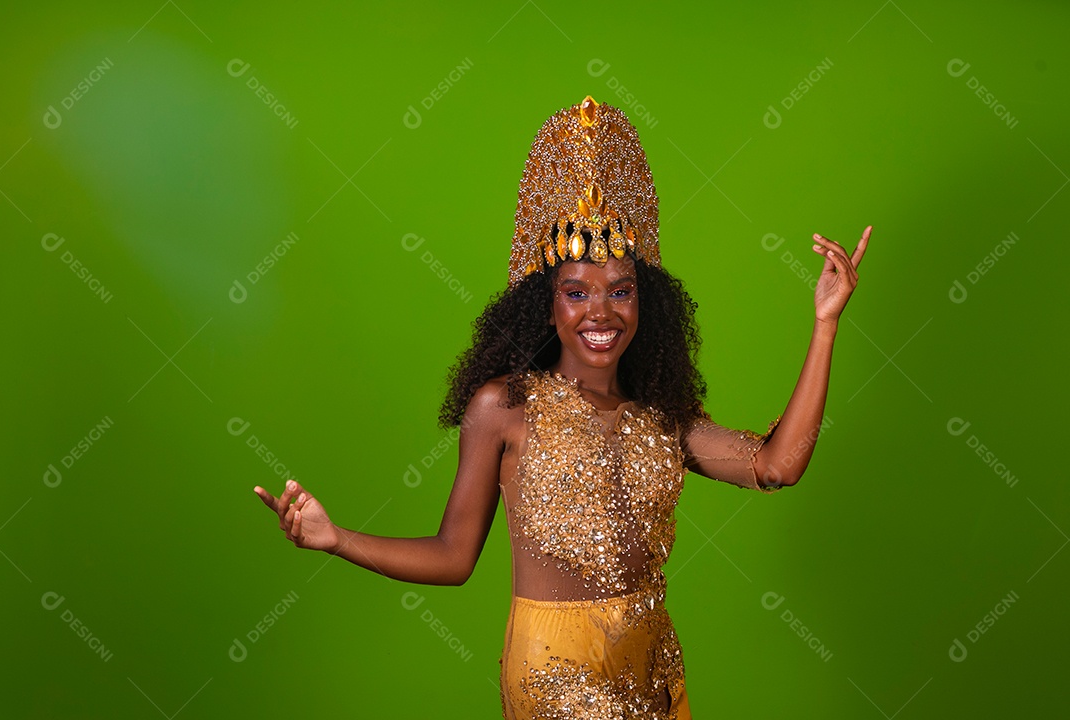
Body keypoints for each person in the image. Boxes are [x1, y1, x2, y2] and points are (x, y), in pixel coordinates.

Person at [255, 95, 870, 718]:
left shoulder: (662, 414)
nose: (600, 313)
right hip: (555, 677)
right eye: (576, 293)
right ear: (545, 304)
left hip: (654, 667)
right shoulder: (502, 406)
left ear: (644, 302)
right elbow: (452, 556)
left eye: (620, 292)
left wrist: (824, 326)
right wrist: (336, 539)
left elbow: (776, 466)